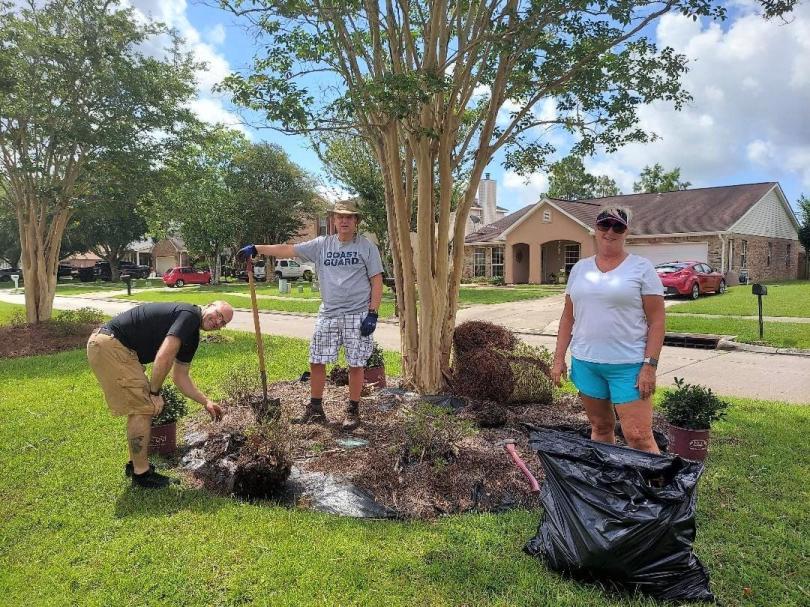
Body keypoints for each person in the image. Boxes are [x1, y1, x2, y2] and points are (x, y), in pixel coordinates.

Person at [238, 200, 383, 430]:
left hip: (357, 313)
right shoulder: (322, 245)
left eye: (349, 217)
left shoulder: (366, 247)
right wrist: (257, 248)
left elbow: (377, 280)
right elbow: (288, 249)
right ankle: (315, 409)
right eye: (340, 216)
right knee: (316, 360)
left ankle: (353, 410)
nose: (344, 221)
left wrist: (372, 313)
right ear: (333, 220)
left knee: (356, 364)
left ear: (356, 221)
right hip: (329, 313)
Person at [551, 207, 665, 453]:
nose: (610, 232)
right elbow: (568, 317)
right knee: (601, 427)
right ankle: (608, 476)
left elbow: (657, 321)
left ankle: (654, 479)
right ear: (595, 229)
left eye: (618, 226)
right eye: (604, 225)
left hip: (628, 366)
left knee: (639, 436)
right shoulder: (580, 269)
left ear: (626, 232)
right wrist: (559, 358)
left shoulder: (641, 268)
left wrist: (649, 366)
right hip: (586, 363)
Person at [87, 301, 234, 488]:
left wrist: (206, 402)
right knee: (144, 408)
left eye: (223, 323)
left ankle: (136, 466)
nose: (218, 322)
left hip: (113, 346)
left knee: (142, 407)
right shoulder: (190, 315)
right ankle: (142, 475)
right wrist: (154, 393)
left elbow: (180, 377)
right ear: (209, 305)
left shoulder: (192, 335)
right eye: (218, 314)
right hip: (112, 345)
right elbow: (164, 356)